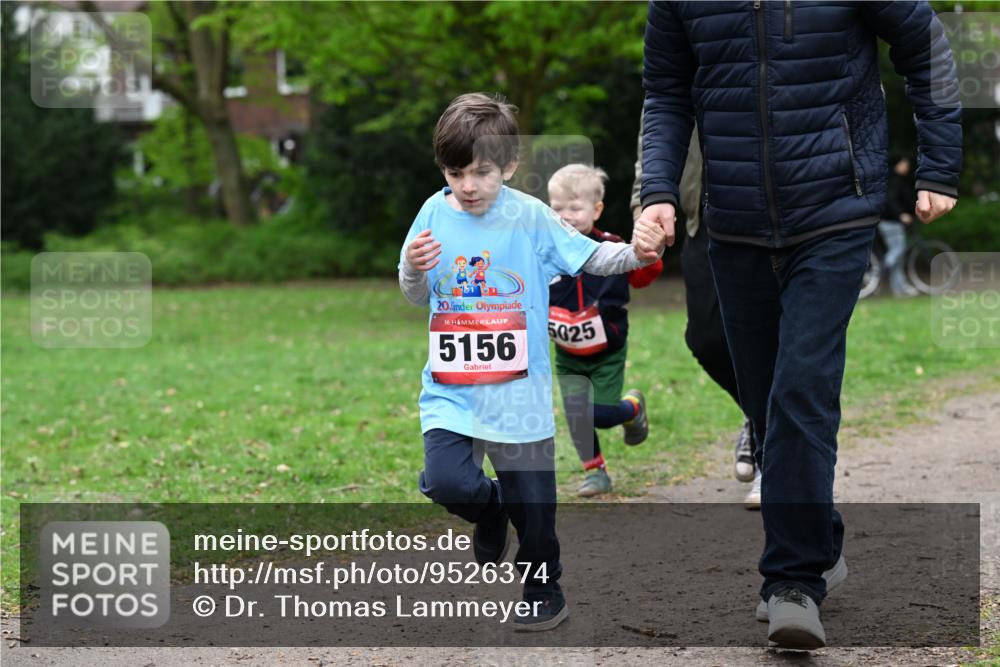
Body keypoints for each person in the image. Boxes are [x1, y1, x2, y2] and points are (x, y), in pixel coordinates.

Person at [635, 1, 961, 650]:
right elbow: (667, 92)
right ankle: (818, 539)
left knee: (800, 388)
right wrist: (659, 192)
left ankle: (792, 584)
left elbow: (926, 44)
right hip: (733, 219)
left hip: (837, 203)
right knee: (764, 404)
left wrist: (940, 165)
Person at [399, 93, 665, 632]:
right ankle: (489, 507)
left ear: (510, 166)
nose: (468, 185)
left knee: (537, 512)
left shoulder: (529, 216)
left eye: (481, 172)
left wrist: (641, 254)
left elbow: (591, 255)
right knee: (446, 482)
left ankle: (544, 585)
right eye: (456, 172)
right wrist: (412, 267)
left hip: (518, 393)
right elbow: (414, 293)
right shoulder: (432, 211)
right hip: (453, 389)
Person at [630, 118, 761, 507]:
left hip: (767, 217)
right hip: (700, 221)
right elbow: (656, 130)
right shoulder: (680, 60)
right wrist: (645, 201)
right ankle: (758, 415)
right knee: (705, 339)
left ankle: (773, 455)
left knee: (768, 339)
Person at [547, 164, 663, 497]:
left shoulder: (610, 247)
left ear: (596, 209)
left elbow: (643, 274)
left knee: (599, 413)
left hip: (607, 351)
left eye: (574, 208)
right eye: (557, 209)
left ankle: (631, 409)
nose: (565, 216)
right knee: (576, 413)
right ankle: (595, 472)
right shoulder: (545, 253)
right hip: (567, 353)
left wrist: (648, 252)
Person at [880, 156, 919, 296]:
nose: (906, 167)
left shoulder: (895, 179)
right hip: (890, 221)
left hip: (891, 221)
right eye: (904, 163)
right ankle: (883, 269)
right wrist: (900, 215)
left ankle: (899, 288)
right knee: (898, 250)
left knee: (900, 255)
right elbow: (891, 200)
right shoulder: (894, 180)